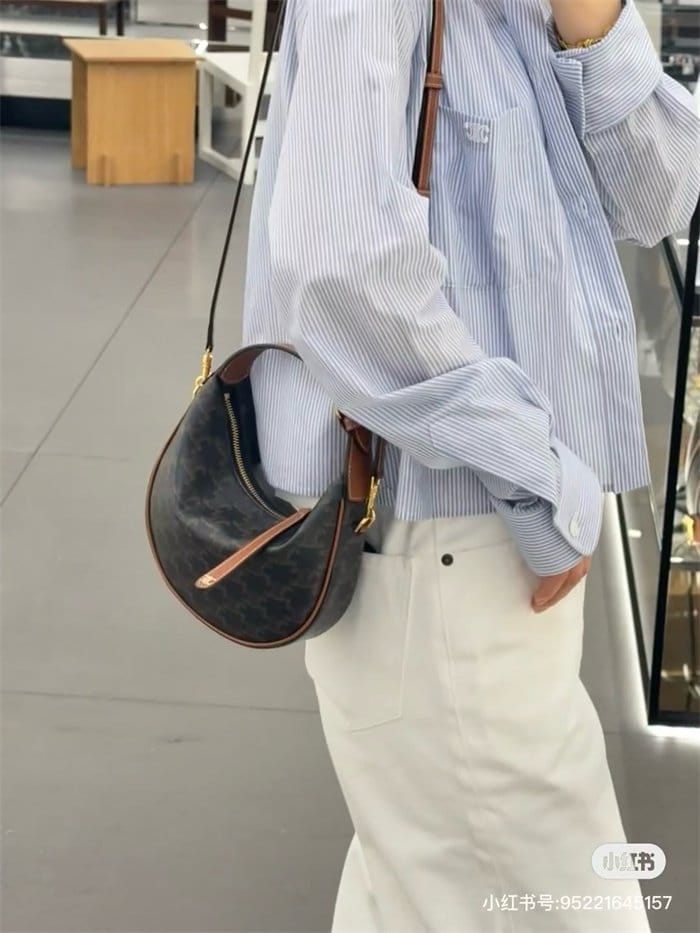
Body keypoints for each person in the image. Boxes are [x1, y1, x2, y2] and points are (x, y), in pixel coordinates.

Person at [241, 0, 700, 930]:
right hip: (441, 533)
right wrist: (543, 483)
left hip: (487, 538)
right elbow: (340, 268)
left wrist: (589, 20)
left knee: (420, 882)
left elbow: (661, 195)